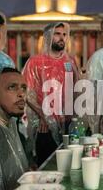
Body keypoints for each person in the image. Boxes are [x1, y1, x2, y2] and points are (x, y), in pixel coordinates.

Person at [23, 22, 79, 165]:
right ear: (48, 37)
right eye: (57, 34)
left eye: (64, 34)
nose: (62, 38)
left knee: (70, 165)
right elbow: (27, 93)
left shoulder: (70, 61)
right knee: (48, 166)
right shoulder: (35, 62)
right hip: (45, 126)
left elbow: (77, 89)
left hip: (67, 123)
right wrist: (43, 116)